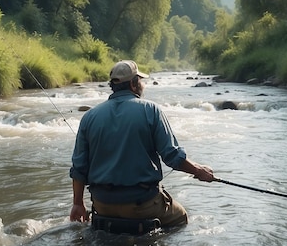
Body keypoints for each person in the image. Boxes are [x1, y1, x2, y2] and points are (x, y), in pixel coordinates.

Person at [69, 60, 216, 228]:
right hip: (142, 204)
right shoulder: (151, 110)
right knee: (180, 217)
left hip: (102, 205)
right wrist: (199, 171)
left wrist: (78, 204)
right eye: (140, 80)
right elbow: (172, 157)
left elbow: (79, 167)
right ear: (133, 84)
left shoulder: (89, 117)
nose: (142, 84)